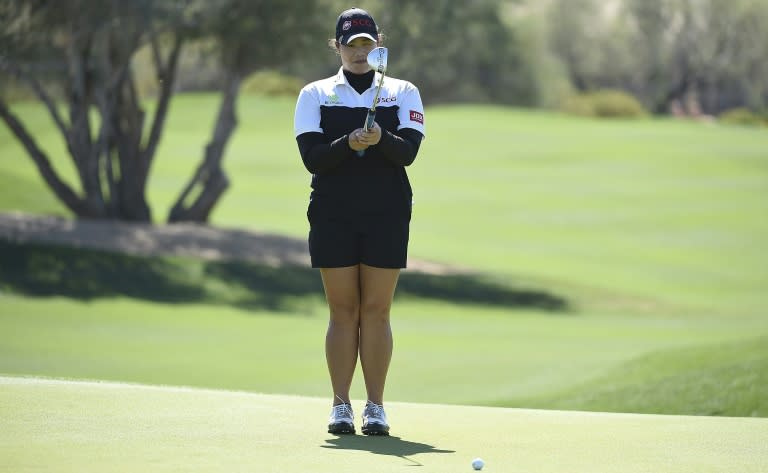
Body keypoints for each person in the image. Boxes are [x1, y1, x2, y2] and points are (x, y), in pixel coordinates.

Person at [293, 7, 425, 436]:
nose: (358, 52)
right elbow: (312, 158)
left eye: (366, 44)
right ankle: (340, 405)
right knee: (343, 311)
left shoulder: (401, 91)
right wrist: (349, 142)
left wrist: (381, 137)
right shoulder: (316, 94)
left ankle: (376, 407)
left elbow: (408, 153)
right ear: (337, 46)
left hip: (387, 212)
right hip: (334, 212)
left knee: (378, 311)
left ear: (377, 46)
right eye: (350, 45)